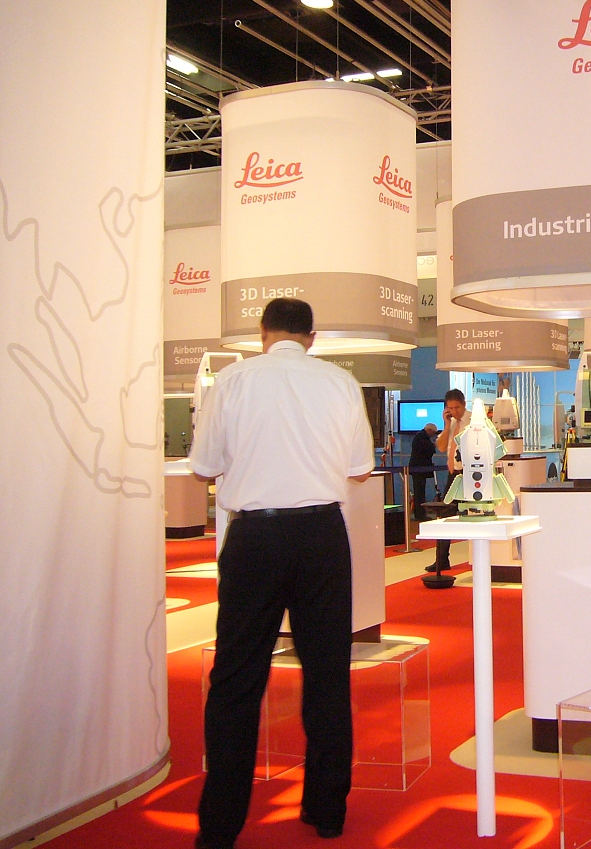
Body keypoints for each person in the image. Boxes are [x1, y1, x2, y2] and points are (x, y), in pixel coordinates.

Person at [188, 298, 374, 849]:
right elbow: (361, 469)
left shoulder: (233, 380)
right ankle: (327, 809)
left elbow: (203, 466)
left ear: (262, 332)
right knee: (327, 674)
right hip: (321, 536)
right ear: (311, 337)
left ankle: (220, 826)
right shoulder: (340, 383)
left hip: (255, 539)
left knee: (236, 679)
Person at [425, 388, 471, 572]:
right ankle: (442, 559)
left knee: (476, 516)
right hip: (454, 475)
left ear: (464, 404)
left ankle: (481, 557)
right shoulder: (450, 423)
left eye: (457, 407)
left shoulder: (473, 420)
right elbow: (442, 447)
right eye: (450, 408)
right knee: (445, 515)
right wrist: (446, 425)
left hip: (471, 474)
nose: (454, 411)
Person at [408, 422, 438, 522]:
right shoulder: (422, 437)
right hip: (419, 469)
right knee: (419, 493)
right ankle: (420, 514)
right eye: (433, 433)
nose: (433, 435)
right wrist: (434, 446)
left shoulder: (420, 436)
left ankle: (420, 513)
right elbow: (427, 450)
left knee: (419, 492)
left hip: (418, 469)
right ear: (429, 430)